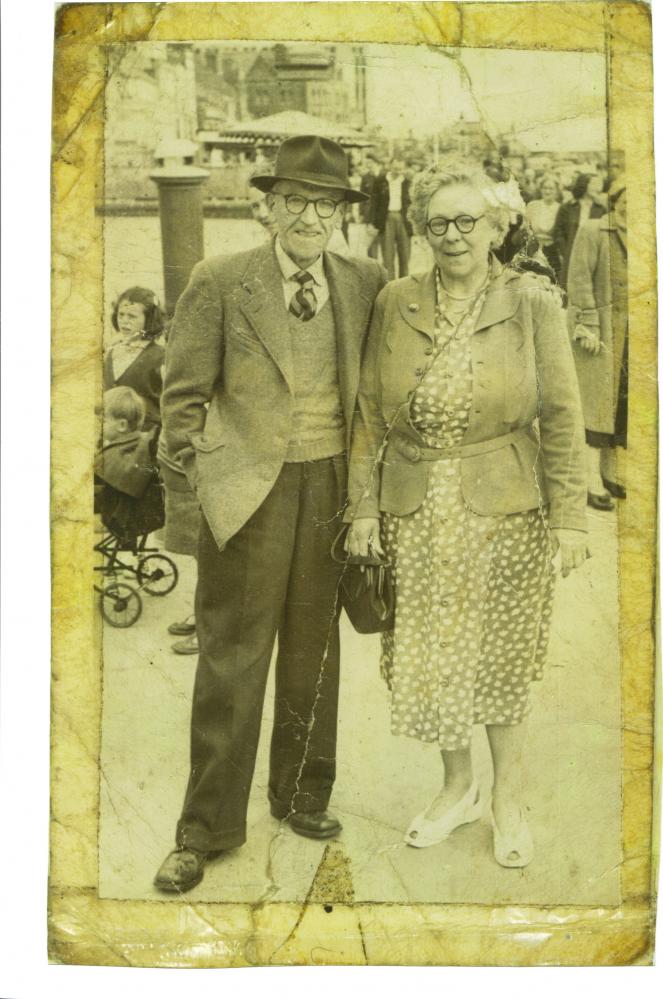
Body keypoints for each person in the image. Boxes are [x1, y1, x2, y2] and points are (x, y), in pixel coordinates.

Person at [155, 135, 386, 893]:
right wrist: (208, 493)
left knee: (314, 652)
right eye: (294, 200)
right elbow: (181, 404)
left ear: (341, 213)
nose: (310, 216)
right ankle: (205, 827)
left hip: (329, 489)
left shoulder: (364, 281)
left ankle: (299, 795)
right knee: (230, 658)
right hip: (247, 494)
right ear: (269, 207)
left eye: (325, 203)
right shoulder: (219, 280)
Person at [345, 157, 588, 869]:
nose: (450, 235)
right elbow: (367, 411)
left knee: (500, 658)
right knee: (432, 656)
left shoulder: (533, 301)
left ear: (497, 226)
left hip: (505, 508)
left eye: (466, 221)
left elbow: (563, 416)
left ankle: (506, 797)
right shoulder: (395, 299)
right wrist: (362, 507)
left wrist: (570, 517)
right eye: (436, 223)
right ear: (420, 229)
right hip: (416, 511)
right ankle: (458, 788)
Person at [566, 177, 628, 509]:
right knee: (594, 409)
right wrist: (587, 325)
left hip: (630, 335)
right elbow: (578, 277)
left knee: (618, 410)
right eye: (624, 203)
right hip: (598, 333)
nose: (629, 210)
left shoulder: (646, 233)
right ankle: (589, 480)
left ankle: (609, 472)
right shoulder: (594, 230)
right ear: (613, 202)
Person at [103, 286, 165, 430]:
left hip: (147, 439)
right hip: (113, 438)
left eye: (132, 316)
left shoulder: (161, 356)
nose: (124, 321)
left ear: (148, 320)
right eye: (121, 314)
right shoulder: (111, 353)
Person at [552, 174, 605, 291]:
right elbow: (558, 232)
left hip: (594, 256)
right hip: (571, 255)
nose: (598, 188)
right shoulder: (567, 207)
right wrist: (565, 251)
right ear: (584, 185)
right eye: (594, 184)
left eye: (599, 185)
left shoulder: (601, 209)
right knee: (569, 290)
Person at [526, 174, 562, 277]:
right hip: (533, 251)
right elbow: (525, 229)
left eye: (551, 188)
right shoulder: (533, 206)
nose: (547, 191)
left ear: (557, 191)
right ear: (540, 189)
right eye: (545, 188)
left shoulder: (561, 209)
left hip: (553, 252)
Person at [382, 157, 412, 279]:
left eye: (400, 169)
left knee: (405, 253)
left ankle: (404, 282)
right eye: (395, 168)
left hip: (403, 219)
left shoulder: (408, 183)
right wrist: (372, 222)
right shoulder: (382, 181)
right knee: (388, 255)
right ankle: (389, 283)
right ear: (390, 166)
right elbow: (375, 202)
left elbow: (412, 203)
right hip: (387, 217)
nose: (398, 171)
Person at [360, 153, 389, 259]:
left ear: (377, 163)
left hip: (383, 215)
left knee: (385, 246)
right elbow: (362, 197)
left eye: (371, 163)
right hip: (370, 214)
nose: (369, 165)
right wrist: (361, 213)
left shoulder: (386, 176)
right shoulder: (366, 177)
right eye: (367, 163)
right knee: (371, 246)